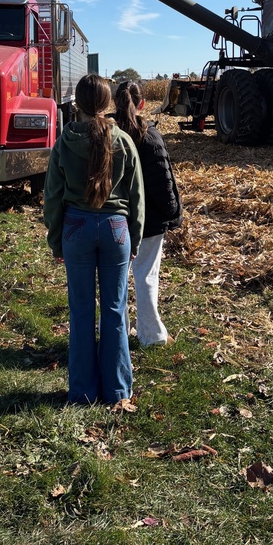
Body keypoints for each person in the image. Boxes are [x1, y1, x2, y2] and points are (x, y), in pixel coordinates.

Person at [43, 74, 145, 404]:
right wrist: (136, 239)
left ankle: (83, 392)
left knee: (81, 311)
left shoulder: (64, 142)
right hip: (116, 230)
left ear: (77, 104)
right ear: (107, 104)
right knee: (115, 310)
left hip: (76, 229)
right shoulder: (124, 142)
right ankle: (117, 390)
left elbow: (53, 198)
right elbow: (137, 197)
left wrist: (56, 240)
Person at [112, 80, 183, 347]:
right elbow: (162, 182)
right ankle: (151, 336)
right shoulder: (149, 136)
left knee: (116, 279)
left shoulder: (106, 133)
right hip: (149, 222)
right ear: (142, 104)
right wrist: (172, 212)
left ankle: (117, 331)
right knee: (146, 277)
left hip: (114, 219)